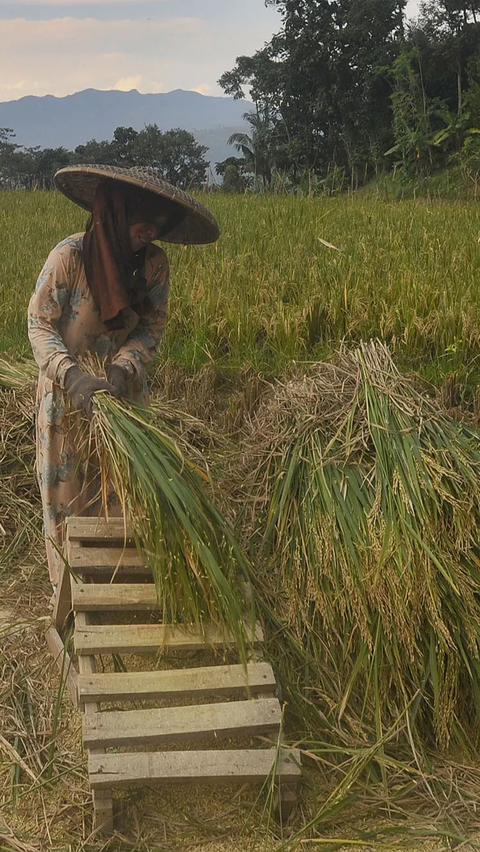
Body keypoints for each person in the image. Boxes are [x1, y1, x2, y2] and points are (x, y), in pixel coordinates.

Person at [28, 164, 219, 587]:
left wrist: (122, 367)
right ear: (114, 211)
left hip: (123, 398)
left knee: (123, 493)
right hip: (68, 401)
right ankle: (74, 603)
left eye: (158, 222)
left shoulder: (153, 266)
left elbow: (152, 326)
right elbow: (39, 325)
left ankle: (119, 589)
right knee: (68, 501)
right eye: (142, 218)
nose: (150, 230)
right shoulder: (70, 257)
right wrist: (73, 377)